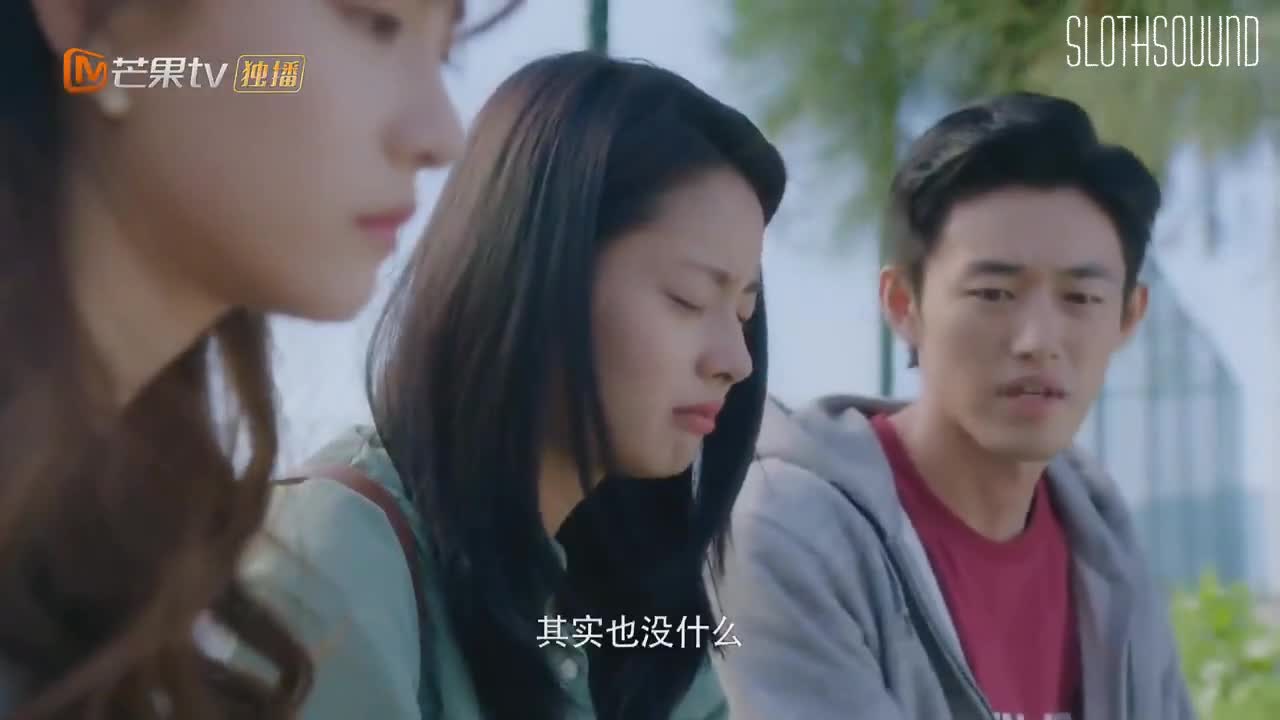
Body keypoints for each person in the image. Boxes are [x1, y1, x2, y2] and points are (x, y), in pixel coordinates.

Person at [226, 51, 786, 720]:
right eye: (688, 298)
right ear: (537, 271)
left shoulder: (631, 603)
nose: (735, 360)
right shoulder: (333, 563)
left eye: (744, 312)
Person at [0, 0, 519, 717]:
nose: (442, 137)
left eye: (444, 53)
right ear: (94, 23)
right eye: (376, 23)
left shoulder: (121, 531)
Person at [710, 92, 1195, 720]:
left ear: (1128, 317)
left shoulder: (1102, 536)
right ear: (903, 304)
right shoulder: (790, 528)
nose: (1038, 340)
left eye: (1080, 299)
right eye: (994, 293)